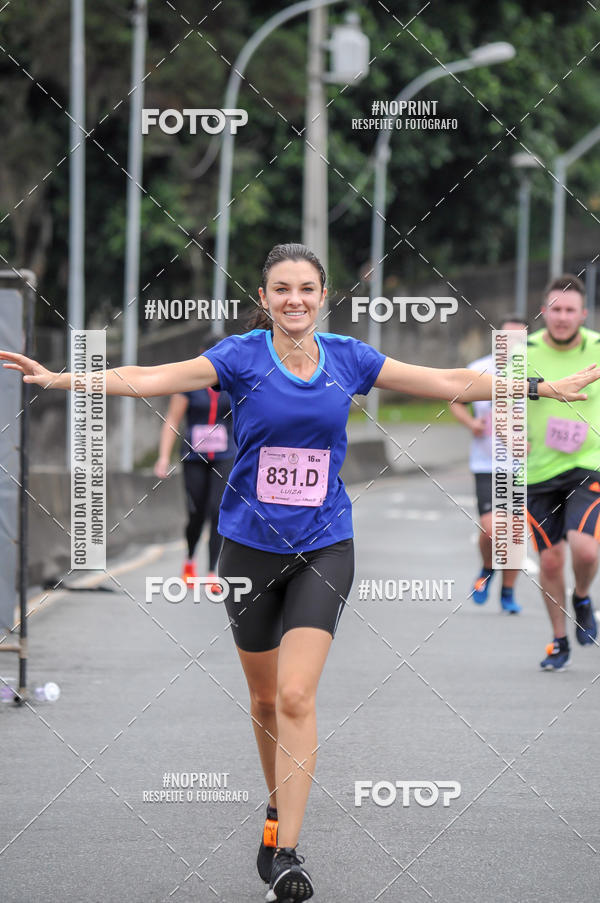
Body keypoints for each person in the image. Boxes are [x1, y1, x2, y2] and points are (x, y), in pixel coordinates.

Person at [2, 245, 597, 902]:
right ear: (265, 297)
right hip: (248, 548)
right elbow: (153, 376)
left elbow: (447, 380)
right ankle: (274, 811)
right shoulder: (239, 357)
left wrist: (538, 387)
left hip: (325, 544)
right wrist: (64, 379)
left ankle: (286, 849)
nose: (294, 299)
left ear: (323, 294)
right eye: (281, 288)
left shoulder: (349, 358)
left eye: (306, 288)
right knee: (262, 700)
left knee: (294, 697)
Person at [526, 274, 600, 671]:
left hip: (586, 463)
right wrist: (508, 434)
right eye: (556, 309)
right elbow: (502, 401)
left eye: (570, 310)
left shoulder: (598, 349)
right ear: (544, 311)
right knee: (551, 561)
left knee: (585, 547)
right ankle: (559, 640)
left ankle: (583, 596)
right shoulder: (524, 350)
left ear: (583, 314)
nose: (562, 316)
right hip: (538, 470)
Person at [449, 315, 528, 614]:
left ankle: (508, 592)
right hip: (487, 463)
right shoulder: (479, 369)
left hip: (522, 466)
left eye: (519, 340)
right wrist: (471, 423)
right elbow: (454, 398)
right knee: (492, 530)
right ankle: (486, 567)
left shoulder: (533, 372)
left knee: (515, 533)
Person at [154, 377, 235, 587]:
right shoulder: (190, 384)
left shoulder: (235, 382)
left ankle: (212, 572)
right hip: (194, 457)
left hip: (225, 457)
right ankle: (190, 560)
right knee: (196, 512)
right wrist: (164, 457)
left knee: (217, 509)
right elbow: (172, 420)